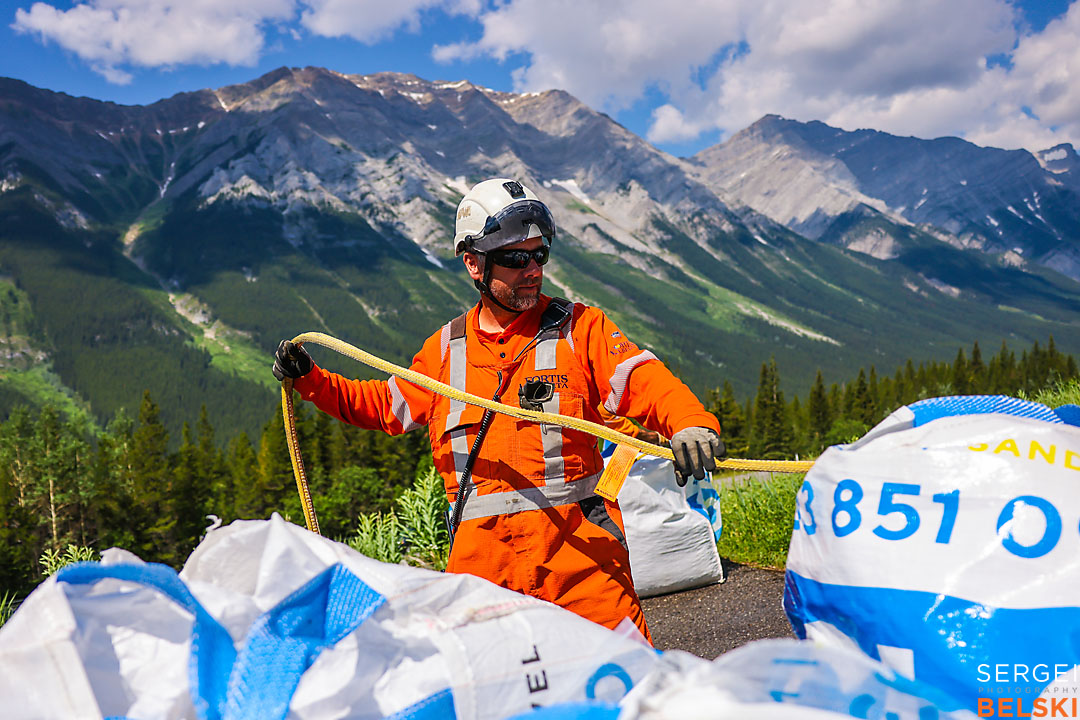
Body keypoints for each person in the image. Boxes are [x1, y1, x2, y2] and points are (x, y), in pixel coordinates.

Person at [273, 178, 724, 641]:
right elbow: (383, 406)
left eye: (539, 254)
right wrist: (310, 379)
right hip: (483, 578)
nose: (532, 269)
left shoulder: (581, 329)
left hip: (583, 569)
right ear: (473, 262)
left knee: (627, 682)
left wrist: (690, 423)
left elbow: (645, 380)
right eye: (514, 258)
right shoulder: (444, 351)